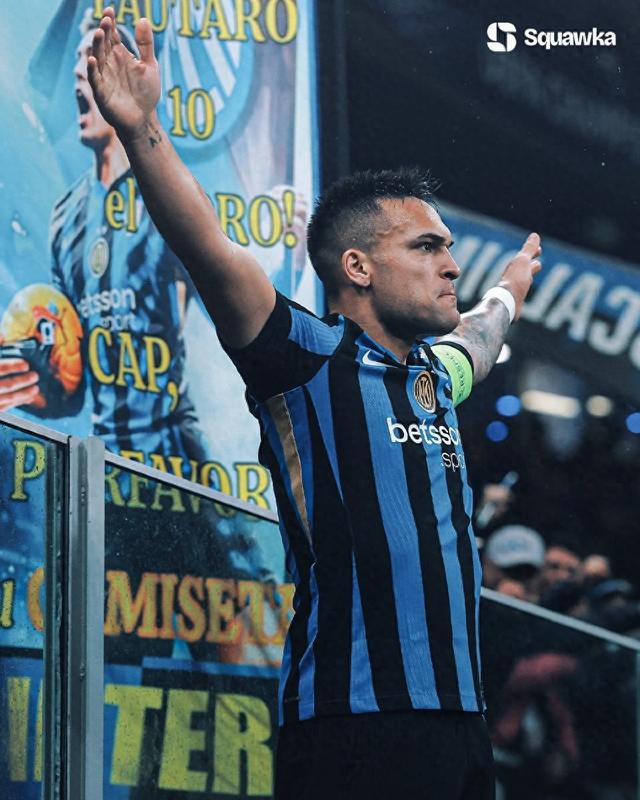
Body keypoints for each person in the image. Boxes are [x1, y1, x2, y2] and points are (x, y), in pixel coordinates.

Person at [85, 9, 542, 798]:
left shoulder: (437, 377)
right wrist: (141, 128)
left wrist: (509, 289)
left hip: (463, 726)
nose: (449, 265)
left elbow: (481, 334)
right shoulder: (305, 358)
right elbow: (208, 248)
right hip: (352, 726)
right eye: (426, 247)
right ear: (358, 267)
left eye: (449, 249)